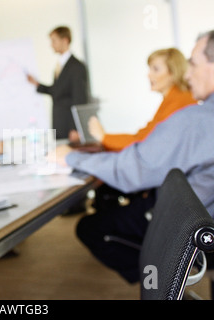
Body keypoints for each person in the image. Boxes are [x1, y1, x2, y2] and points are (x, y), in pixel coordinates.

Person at [47, 30, 214, 283]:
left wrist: (72, 157)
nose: (188, 74)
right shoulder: (191, 114)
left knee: (91, 226)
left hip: (193, 229)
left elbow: (134, 168)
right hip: (202, 219)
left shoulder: (195, 118)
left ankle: (161, 280)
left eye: (193, 64)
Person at [88, 48, 196, 151]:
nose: (149, 75)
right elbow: (144, 135)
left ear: (173, 72)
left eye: (156, 69)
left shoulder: (178, 101)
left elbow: (145, 141)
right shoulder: (176, 97)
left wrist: (103, 137)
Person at [27, 26, 89, 140]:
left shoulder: (76, 67)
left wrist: (75, 128)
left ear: (65, 40)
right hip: (59, 124)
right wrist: (37, 85)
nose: (51, 45)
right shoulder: (60, 65)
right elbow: (58, 91)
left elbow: (79, 98)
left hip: (70, 127)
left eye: (54, 41)